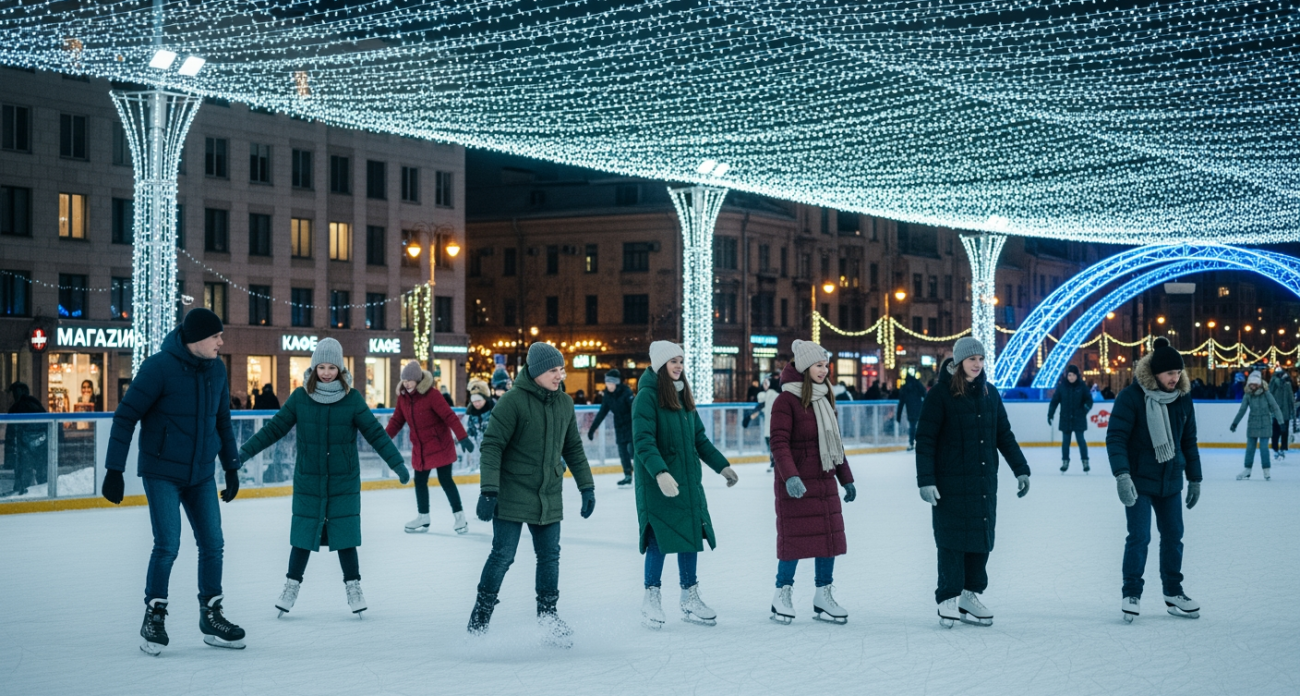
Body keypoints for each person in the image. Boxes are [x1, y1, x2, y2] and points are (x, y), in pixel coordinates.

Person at [101, 308, 246, 655]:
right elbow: (125, 417)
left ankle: (211, 615)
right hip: (162, 471)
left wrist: (231, 467)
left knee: (213, 542)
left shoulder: (217, 370)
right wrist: (114, 469)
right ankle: (155, 615)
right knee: (168, 545)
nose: (221, 342)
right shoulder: (158, 367)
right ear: (197, 339)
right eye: (216, 336)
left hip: (200, 474)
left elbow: (222, 422)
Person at [238, 338, 409, 618]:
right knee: (302, 537)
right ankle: (291, 587)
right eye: (322, 367)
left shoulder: (352, 399)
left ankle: (353, 587)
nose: (327, 372)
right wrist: (243, 453)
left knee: (346, 537)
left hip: (343, 481)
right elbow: (274, 430)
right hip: (309, 480)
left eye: (332, 367)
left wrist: (397, 464)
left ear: (340, 369)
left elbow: (376, 435)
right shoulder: (300, 398)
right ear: (314, 367)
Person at [468, 342, 595, 647]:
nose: (560, 375)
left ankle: (548, 617)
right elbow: (492, 446)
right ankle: (480, 618)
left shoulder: (564, 403)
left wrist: (586, 486)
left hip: (548, 492)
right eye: (554, 370)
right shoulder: (512, 402)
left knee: (550, 557)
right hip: (511, 493)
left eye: (561, 369)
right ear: (537, 372)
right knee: (503, 556)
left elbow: (573, 448)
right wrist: (489, 491)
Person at [914, 337, 1030, 629]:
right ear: (958, 362)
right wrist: (926, 480)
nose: (977, 364)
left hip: (982, 481)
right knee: (952, 540)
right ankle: (948, 598)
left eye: (980, 359)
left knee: (981, 538)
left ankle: (970, 594)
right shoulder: (940, 394)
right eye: (971, 359)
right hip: (949, 482)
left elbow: (1003, 434)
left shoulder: (990, 393)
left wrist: (1021, 469)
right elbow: (925, 440)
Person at [633, 341, 738, 629]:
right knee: (658, 539)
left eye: (681, 360)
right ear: (659, 365)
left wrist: (722, 465)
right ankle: (651, 597)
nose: (678, 365)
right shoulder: (646, 397)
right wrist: (660, 473)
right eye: (673, 361)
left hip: (687, 483)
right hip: (658, 484)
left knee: (690, 534)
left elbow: (699, 440)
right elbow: (643, 442)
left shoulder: (683, 396)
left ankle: (689, 596)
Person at [1106, 337, 1202, 622]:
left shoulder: (1183, 399)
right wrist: (1122, 475)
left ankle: (1173, 592)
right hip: (1139, 480)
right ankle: (1131, 593)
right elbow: (1116, 438)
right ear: (1156, 373)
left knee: (1173, 537)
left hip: (1171, 480)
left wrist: (1194, 478)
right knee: (1139, 537)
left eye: (1178, 373)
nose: (1175, 378)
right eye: (1170, 373)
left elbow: (1189, 441)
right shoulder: (1132, 397)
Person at [768, 340, 855, 625]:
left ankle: (823, 594)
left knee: (827, 541)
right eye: (819, 365)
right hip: (797, 484)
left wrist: (847, 480)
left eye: (825, 365)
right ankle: (782, 593)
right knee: (793, 541)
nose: (824, 370)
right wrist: (790, 476)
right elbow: (779, 444)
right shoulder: (785, 401)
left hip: (824, 480)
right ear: (806, 367)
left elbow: (835, 444)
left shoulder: (825, 399)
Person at [387, 360, 473, 534]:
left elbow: (449, 416)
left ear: (418, 380)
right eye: (405, 380)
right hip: (421, 447)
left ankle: (459, 517)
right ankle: (423, 516)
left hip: (440, 444)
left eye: (410, 380)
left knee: (445, 480)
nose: (407, 383)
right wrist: (383, 439)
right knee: (419, 481)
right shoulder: (403, 398)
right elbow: (397, 420)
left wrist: (462, 437)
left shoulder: (431, 395)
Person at [1230, 370, 1283, 481]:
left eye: (1254, 384)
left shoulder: (1266, 393)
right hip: (1253, 423)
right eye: (1251, 384)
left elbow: (1275, 407)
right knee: (1250, 448)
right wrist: (1235, 423)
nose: (1252, 386)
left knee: (1264, 448)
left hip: (1265, 423)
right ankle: (1247, 470)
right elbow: (1242, 410)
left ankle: (1266, 470)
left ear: (1259, 383)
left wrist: (1281, 422)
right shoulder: (1248, 395)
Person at [588, 368, 636, 487]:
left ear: (616, 382)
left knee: (633, 450)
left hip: (631, 424)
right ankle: (627, 475)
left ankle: (643, 473)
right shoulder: (608, 396)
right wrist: (592, 429)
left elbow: (635, 409)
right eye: (607, 383)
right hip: (619, 426)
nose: (608, 385)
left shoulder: (626, 392)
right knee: (622, 451)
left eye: (610, 383)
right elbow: (602, 412)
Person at [3, 381, 48, 496]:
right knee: (43, 476)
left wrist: (8, 460)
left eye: (11, 394)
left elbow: (10, 435)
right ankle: (44, 496)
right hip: (42, 445)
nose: (9, 398)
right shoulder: (36, 404)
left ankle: (22, 496)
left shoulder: (15, 408)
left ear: (15, 394)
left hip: (24, 449)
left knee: (23, 477)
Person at [1049, 365, 1094, 473]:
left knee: (1081, 441)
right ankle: (1065, 462)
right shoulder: (1062, 387)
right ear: (1066, 376)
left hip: (1079, 418)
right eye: (1069, 375)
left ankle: (1085, 462)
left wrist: (1084, 410)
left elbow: (1089, 400)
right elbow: (1054, 401)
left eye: (1073, 375)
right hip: (1065, 418)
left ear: (1077, 376)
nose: (1071, 377)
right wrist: (1050, 414)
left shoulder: (1082, 386)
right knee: (1066, 442)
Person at [743, 374, 781, 471]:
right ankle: (774, 464)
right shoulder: (769, 395)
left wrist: (749, 417)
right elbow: (761, 407)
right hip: (771, 427)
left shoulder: (771, 395)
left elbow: (760, 406)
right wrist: (750, 416)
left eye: (766, 383)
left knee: (774, 446)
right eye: (764, 383)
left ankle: (775, 464)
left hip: (773, 428)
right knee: (773, 447)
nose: (764, 385)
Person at [1269, 368, 1295, 462]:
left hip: (1284, 413)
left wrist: (1292, 410)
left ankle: (1280, 448)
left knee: (1282, 432)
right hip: (1278, 413)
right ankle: (1277, 449)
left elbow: (1291, 398)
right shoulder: (1274, 384)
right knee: (1277, 432)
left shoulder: (1287, 385)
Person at [895, 374, 926, 451]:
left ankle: (911, 443)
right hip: (920, 409)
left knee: (912, 427)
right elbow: (925, 395)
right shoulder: (918, 385)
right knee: (921, 427)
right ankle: (921, 442)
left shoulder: (905, 388)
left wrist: (898, 417)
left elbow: (901, 403)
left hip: (910, 410)